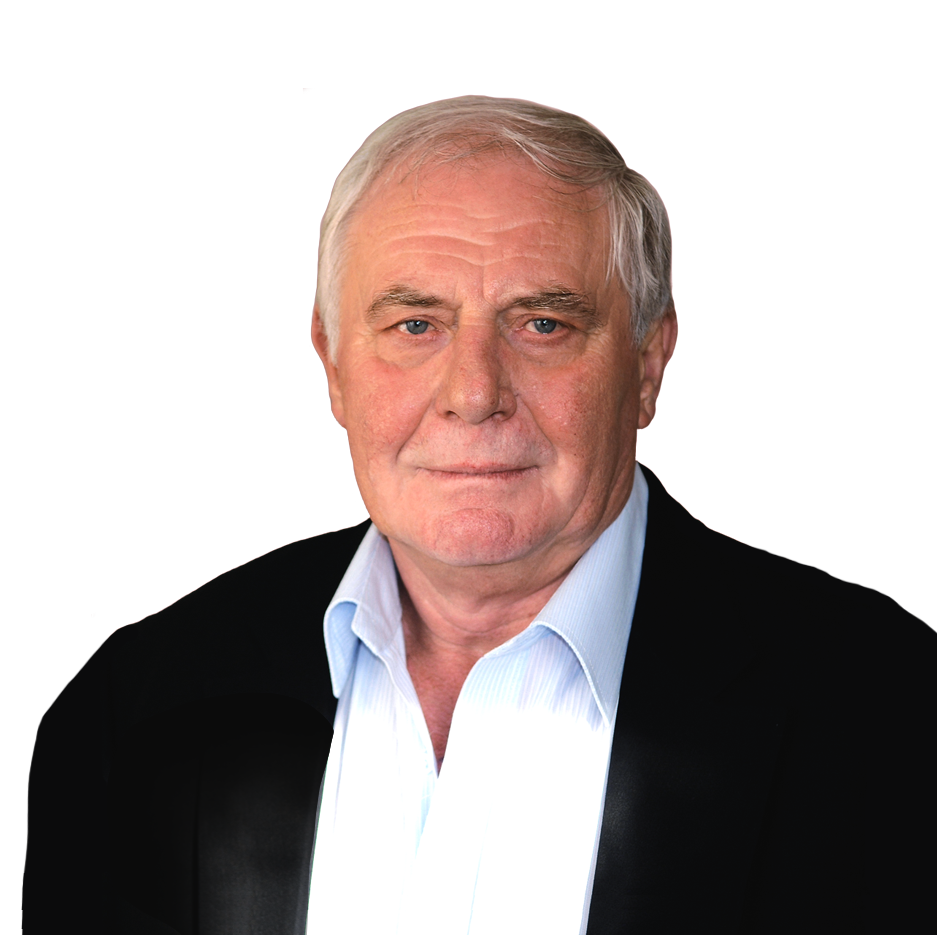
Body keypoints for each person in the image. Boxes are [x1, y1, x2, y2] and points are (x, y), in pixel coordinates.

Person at [25, 96, 934, 934]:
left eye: (542, 324)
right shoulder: (135, 701)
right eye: (414, 325)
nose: (473, 392)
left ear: (648, 364)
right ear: (332, 364)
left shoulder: (886, 705)